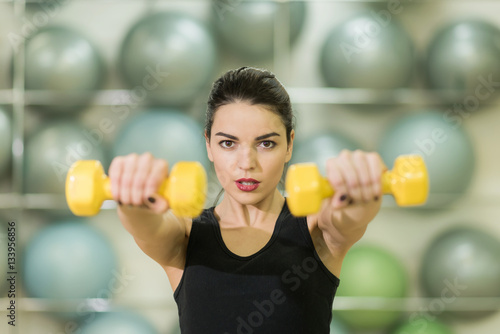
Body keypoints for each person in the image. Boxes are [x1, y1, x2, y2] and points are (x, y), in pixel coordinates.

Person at [109, 67, 387, 333]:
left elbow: (350, 218)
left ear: (289, 145)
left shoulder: (317, 229)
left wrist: (361, 190)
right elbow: (145, 224)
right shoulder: (185, 236)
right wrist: (132, 198)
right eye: (228, 143)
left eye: (266, 143)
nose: (246, 163)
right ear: (208, 145)